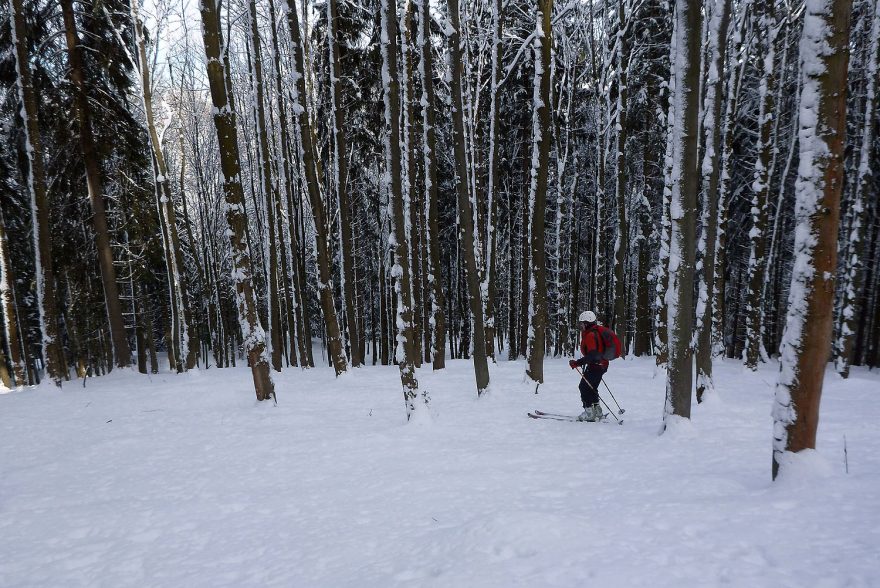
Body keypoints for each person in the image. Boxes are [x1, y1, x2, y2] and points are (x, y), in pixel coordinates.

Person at [568, 310, 608, 422]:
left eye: (582, 323)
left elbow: (592, 355)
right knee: (592, 387)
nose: (580, 326)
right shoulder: (595, 332)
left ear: (587, 323)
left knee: (584, 387)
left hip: (595, 366)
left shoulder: (591, 335)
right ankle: (597, 411)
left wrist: (577, 363)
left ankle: (589, 413)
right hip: (602, 365)